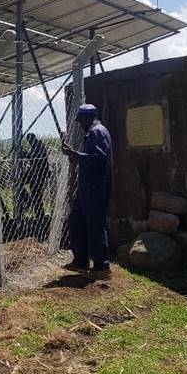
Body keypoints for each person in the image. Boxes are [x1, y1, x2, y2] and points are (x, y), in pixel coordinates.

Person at [61, 104, 114, 280]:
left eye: (80, 120)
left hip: (95, 188)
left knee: (95, 225)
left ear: (87, 118)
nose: (80, 124)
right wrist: (76, 156)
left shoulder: (97, 132)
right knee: (77, 220)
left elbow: (100, 158)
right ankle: (81, 261)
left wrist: (76, 155)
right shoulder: (92, 132)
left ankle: (102, 266)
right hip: (87, 188)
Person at [20, 133, 51, 220]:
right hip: (33, 173)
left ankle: (39, 214)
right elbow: (31, 156)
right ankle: (30, 202)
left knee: (36, 195)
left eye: (30, 141)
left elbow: (34, 156)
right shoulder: (34, 146)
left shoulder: (39, 145)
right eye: (29, 141)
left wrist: (24, 154)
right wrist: (24, 153)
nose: (30, 142)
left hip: (39, 173)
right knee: (18, 183)